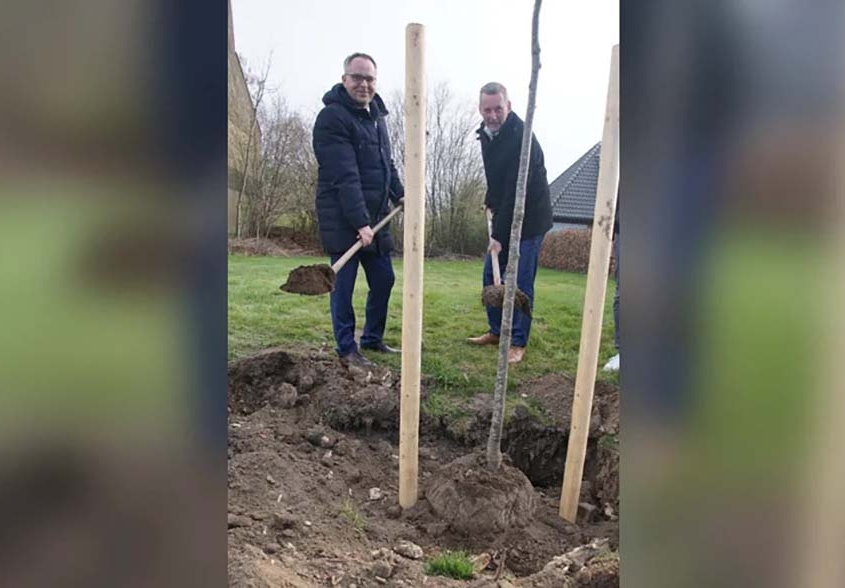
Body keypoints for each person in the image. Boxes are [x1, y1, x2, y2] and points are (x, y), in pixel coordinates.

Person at [312, 52, 404, 368]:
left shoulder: (377, 118)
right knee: (341, 286)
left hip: (376, 220)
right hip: (344, 221)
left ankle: (372, 339)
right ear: (344, 80)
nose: (364, 84)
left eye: (370, 78)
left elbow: (385, 164)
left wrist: (401, 194)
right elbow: (344, 175)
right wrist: (360, 223)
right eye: (357, 77)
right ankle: (346, 349)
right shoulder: (332, 119)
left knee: (384, 279)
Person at [467, 82, 553, 364]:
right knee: (490, 278)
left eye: (498, 108)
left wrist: (498, 236)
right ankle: (496, 331)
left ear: (509, 106)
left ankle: (518, 341)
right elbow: (498, 180)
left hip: (530, 218)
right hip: (505, 209)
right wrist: (489, 198)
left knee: (520, 282)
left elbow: (517, 190)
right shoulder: (487, 135)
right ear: (481, 109)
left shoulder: (521, 138)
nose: (492, 115)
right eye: (487, 109)